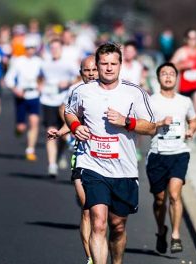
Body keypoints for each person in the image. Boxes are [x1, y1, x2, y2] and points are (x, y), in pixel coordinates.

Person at [65, 42, 156, 264]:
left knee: (117, 226)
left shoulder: (134, 93)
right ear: (96, 65)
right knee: (98, 222)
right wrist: (76, 127)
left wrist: (126, 121)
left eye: (113, 64)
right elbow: (70, 113)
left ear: (120, 65)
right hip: (92, 164)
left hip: (123, 169)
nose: (108, 68)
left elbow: (152, 127)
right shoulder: (82, 91)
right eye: (104, 63)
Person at [47, 55, 98, 264]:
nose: (92, 74)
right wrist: (60, 133)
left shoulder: (113, 91)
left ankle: (102, 244)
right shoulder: (76, 92)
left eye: (95, 69)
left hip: (110, 158)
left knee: (107, 215)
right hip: (82, 154)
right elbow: (69, 116)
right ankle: (91, 257)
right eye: (87, 70)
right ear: (81, 73)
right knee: (87, 208)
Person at [146, 62, 196, 254]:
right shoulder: (151, 101)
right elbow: (144, 127)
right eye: (164, 74)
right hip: (158, 154)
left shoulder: (185, 101)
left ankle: (175, 235)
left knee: (175, 194)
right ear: (158, 78)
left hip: (179, 153)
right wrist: (160, 123)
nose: (168, 77)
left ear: (177, 78)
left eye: (171, 74)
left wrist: (191, 130)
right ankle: (161, 230)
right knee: (160, 200)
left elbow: (193, 120)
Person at [40, 38, 79, 177]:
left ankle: (60, 154)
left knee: (64, 133)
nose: (55, 50)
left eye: (57, 48)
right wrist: (40, 87)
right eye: (53, 48)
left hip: (64, 101)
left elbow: (79, 77)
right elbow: (40, 77)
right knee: (50, 131)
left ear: (62, 49)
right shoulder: (44, 63)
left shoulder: (68, 64)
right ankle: (52, 165)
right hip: (48, 100)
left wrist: (67, 82)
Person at [4, 36, 43, 161]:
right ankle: (18, 129)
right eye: (28, 48)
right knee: (21, 127)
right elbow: (8, 78)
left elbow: (45, 76)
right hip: (21, 95)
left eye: (33, 48)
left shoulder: (39, 61)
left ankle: (30, 149)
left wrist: (41, 85)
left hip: (34, 95)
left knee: (34, 122)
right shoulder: (18, 61)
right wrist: (15, 89)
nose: (30, 50)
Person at [171, 29, 196, 147]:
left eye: (195, 38)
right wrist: (183, 65)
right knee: (185, 110)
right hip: (185, 86)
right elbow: (171, 65)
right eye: (190, 38)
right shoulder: (181, 52)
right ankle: (186, 132)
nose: (193, 41)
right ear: (186, 39)